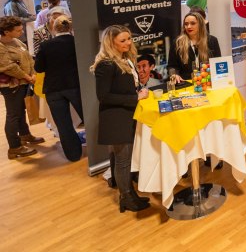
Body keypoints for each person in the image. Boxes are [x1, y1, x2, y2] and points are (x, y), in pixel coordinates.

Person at [90, 25, 150, 213]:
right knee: (123, 160)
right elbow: (104, 96)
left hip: (127, 115)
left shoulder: (126, 59)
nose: (128, 43)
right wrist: (135, 98)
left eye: (129, 39)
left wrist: (137, 90)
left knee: (123, 159)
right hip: (115, 119)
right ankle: (126, 197)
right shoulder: (106, 64)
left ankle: (129, 194)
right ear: (111, 42)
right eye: (122, 40)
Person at [33, 16, 83, 162]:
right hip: (76, 86)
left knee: (63, 124)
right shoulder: (77, 43)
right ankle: (99, 154)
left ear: (53, 28)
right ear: (71, 28)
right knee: (89, 119)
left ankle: (73, 156)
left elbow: (39, 67)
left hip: (53, 88)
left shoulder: (46, 45)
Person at [0, 16, 43, 159]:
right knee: (13, 114)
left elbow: (28, 57)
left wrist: (33, 73)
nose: (22, 31)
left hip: (24, 82)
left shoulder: (16, 41)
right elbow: (8, 67)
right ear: (6, 32)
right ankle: (14, 147)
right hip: (11, 85)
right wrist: (27, 76)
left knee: (20, 110)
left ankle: (24, 135)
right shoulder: (1, 46)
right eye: (18, 30)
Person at [167, 12, 221, 82]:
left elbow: (218, 63)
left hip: (207, 82)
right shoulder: (177, 43)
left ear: (200, 25)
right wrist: (174, 74)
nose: (189, 27)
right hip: (186, 83)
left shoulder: (212, 41)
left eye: (193, 23)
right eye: (186, 24)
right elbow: (172, 66)